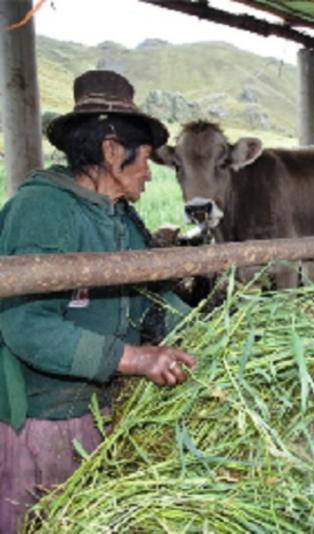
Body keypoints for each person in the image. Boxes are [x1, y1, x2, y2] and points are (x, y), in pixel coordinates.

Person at [0, 70, 197, 533]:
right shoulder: (43, 211)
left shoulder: (120, 218)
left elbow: (152, 300)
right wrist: (134, 358)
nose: (149, 173)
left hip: (98, 412)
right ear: (112, 151)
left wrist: (213, 335)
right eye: (144, 158)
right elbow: (28, 327)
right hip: (43, 422)